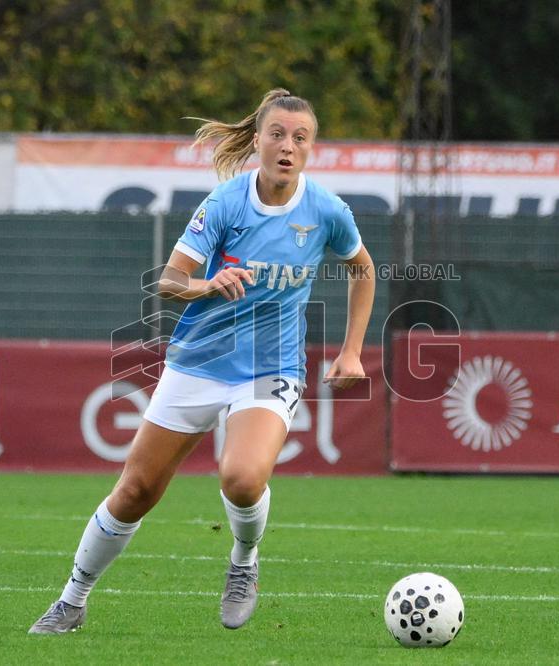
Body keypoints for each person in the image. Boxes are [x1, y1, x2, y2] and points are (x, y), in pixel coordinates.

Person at [29, 88, 375, 634]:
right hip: (197, 361)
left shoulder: (328, 211)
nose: (288, 146)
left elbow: (363, 268)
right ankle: (72, 600)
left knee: (241, 478)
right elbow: (168, 281)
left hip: (271, 367)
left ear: (312, 148)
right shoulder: (225, 203)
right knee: (136, 490)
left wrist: (351, 349)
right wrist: (208, 284)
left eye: (300, 138)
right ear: (258, 140)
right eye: (278, 134)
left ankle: (243, 562)